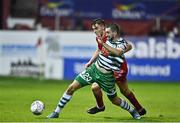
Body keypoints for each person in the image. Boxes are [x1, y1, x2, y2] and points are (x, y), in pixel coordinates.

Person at [47, 23, 141, 119]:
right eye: (106, 32)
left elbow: (118, 52)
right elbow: (99, 48)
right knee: (71, 87)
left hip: (107, 76)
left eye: (108, 32)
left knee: (114, 100)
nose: (106, 34)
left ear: (115, 33)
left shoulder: (121, 43)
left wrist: (104, 44)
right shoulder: (104, 38)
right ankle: (56, 112)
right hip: (94, 70)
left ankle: (132, 110)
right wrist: (90, 62)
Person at [85, 19, 146, 116]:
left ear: (103, 27)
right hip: (109, 68)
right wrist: (90, 61)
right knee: (96, 87)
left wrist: (119, 52)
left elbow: (129, 46)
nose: (95, 31)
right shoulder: (101, 38)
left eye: (96, 28)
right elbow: (99, 50)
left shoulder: (112, 38)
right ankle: (100, 107)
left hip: (119, 69)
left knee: (123, 91)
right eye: (94, 29)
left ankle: (138, 109)